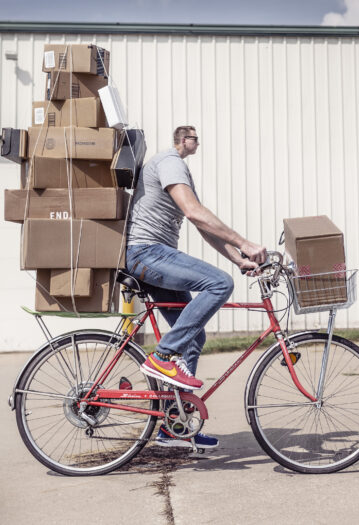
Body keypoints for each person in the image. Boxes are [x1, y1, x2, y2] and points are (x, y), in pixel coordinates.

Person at [125, 125, 267, 449]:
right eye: (193, 138)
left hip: (153, 256)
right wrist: (245, 242)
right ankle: (162, 357)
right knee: (219, 284)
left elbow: (203, 226)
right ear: (181, 141)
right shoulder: (170, 162)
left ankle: (174, 425)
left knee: (195, 334)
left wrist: (238, 258)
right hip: (147, 252)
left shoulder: (179, 171)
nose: (197, 143)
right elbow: (195, 213)